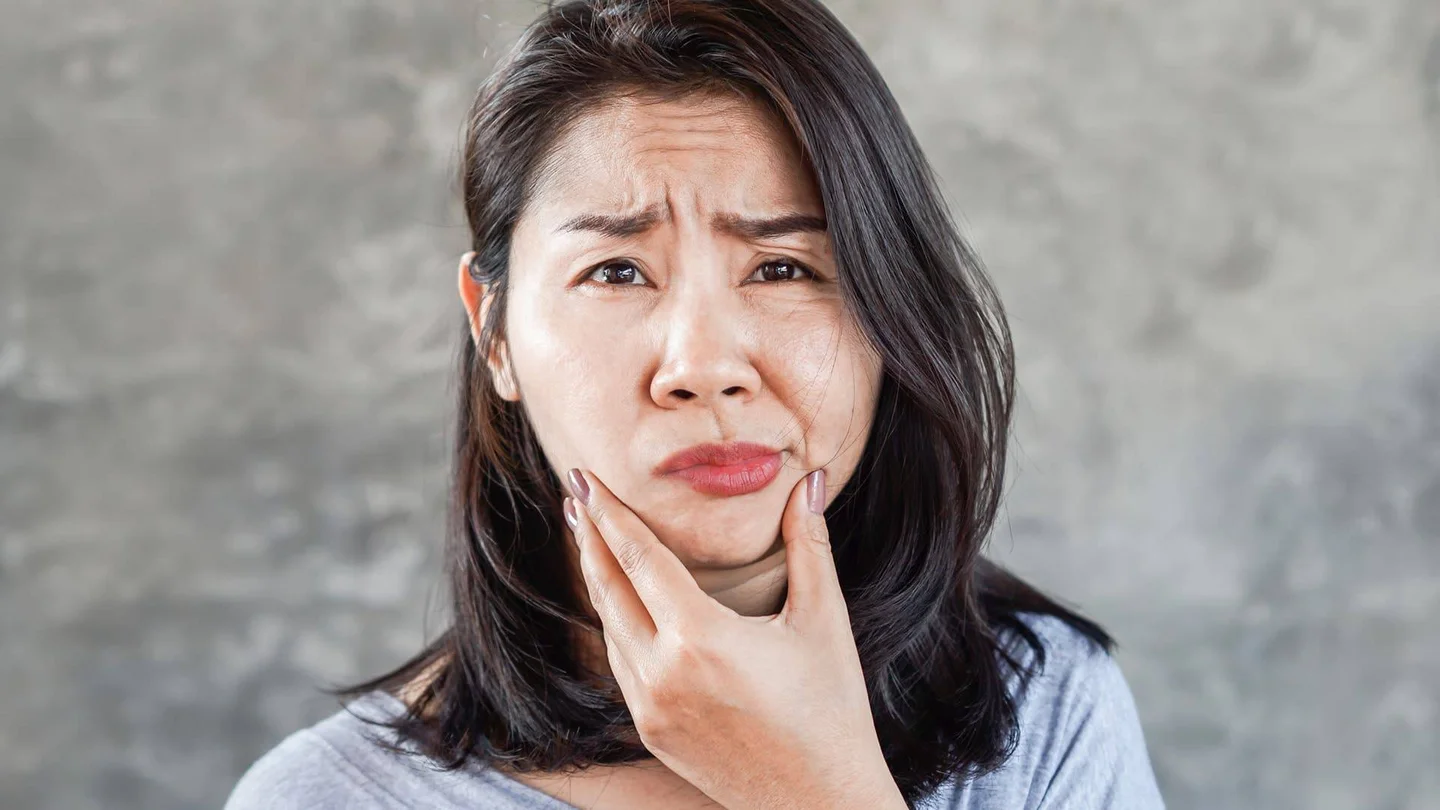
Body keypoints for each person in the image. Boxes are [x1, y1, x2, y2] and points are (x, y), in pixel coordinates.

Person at [226, 0, 1166, 807]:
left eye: (783, 268)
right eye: (617, 271)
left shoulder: (1045, 708)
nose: (706, 367)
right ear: (494, 329)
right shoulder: (319, 797)